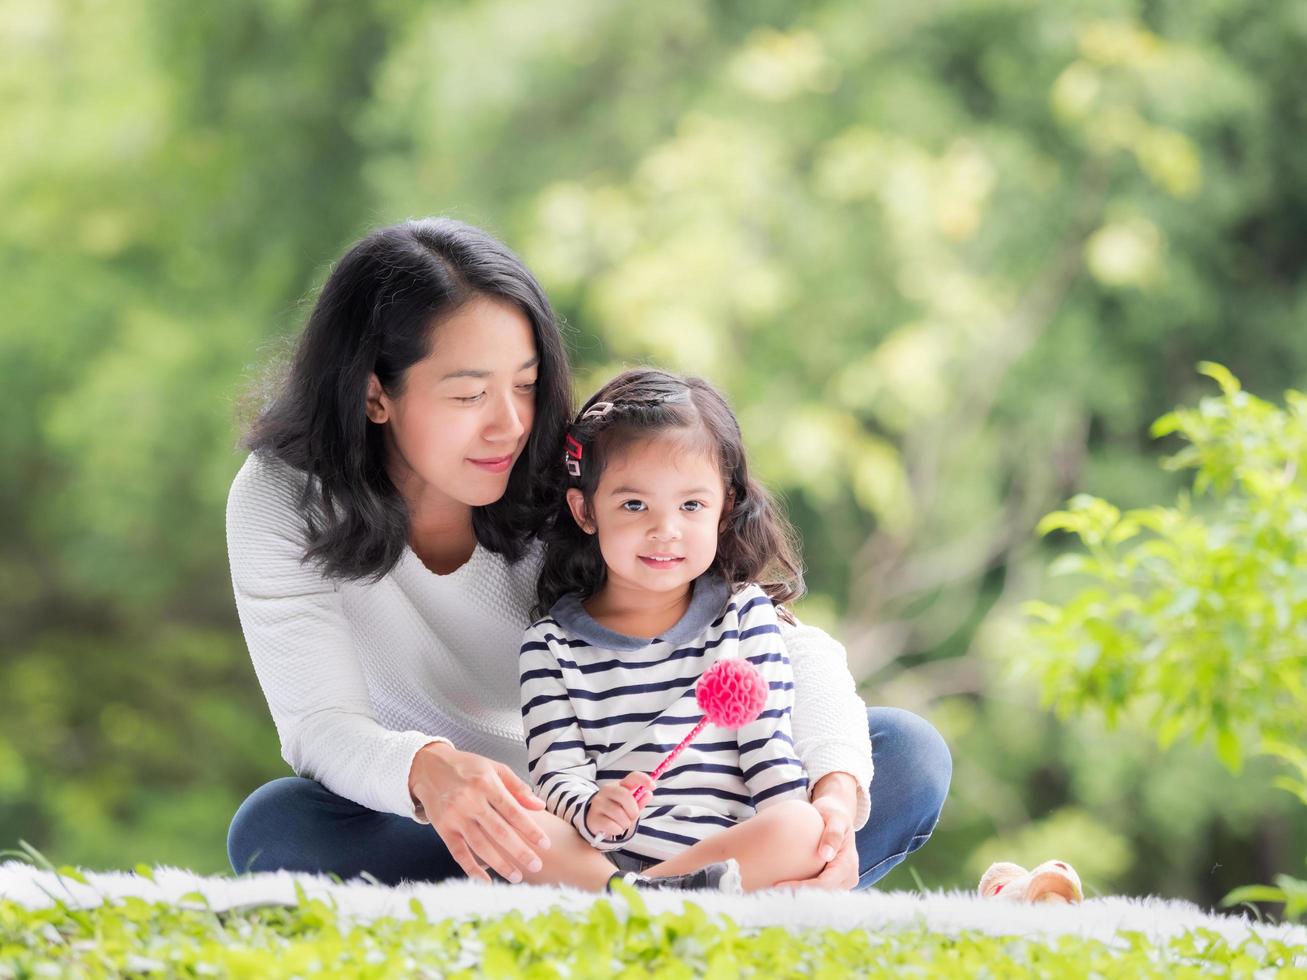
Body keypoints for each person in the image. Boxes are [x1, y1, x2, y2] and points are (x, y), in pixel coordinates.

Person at [224, 217, 952, 890]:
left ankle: (648, 901)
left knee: (902, 755)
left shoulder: (570, 474)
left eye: (527, 385)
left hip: (663, 805)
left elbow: (784, 649)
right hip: (476, 825)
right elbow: (319, 724)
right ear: (374, 393)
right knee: (277, 826)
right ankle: (689, 908)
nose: (509, 424)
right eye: (468, 395)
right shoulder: (282, 499)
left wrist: (836, 790)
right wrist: (427, 769)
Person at [516, 368, 838, 894]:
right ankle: (644, 900)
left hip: (724, 855)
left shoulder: (744, 616)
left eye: (691, 505)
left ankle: (628, 909)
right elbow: (556, 773)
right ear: (585, 510)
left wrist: (795, 847)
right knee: (523, 828)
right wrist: (593, 808)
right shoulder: (550, 648)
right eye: (634, 504)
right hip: (605, 857)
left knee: (802, 824)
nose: (664, 529)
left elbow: (770, 751)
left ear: (724, 507)